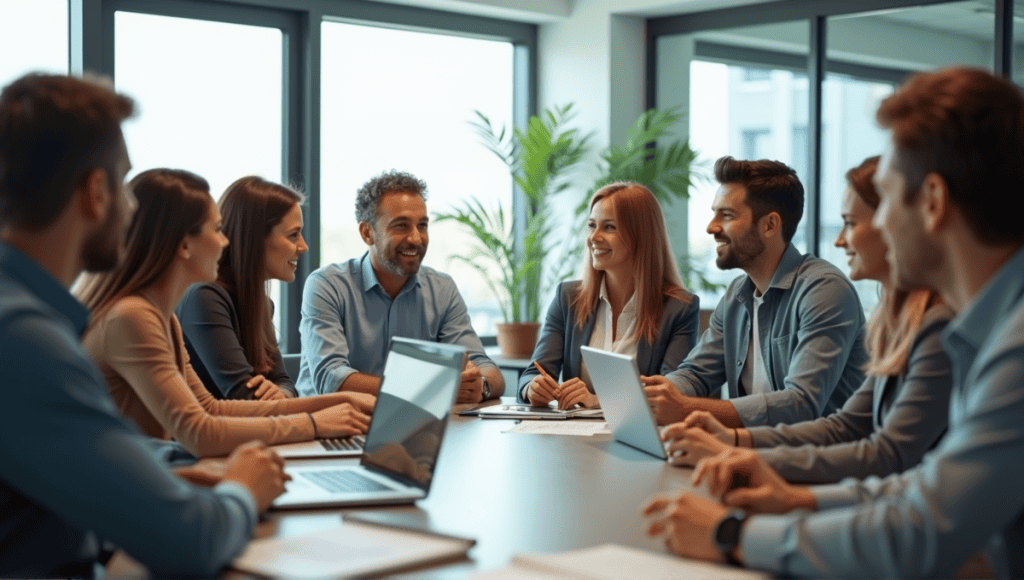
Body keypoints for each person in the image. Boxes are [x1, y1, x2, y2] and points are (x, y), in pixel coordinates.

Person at [645, 67, 1024, 579]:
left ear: (933, 202)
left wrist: (730, 533)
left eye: (886, 198)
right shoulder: (987, 326)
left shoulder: (1012, 345)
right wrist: (798, 498)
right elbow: (920, 487)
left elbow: (921, 527)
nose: (878, 224)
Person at [0, 72, 286, 577]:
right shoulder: (24, 339)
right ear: (96, 192)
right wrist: (243, 489)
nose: (132, 209)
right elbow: (189, 542)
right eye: (123, 182)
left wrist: (161, 469)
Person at [662, 156, 953, 483]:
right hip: (834, 479)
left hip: (847, 486)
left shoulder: (829, 290)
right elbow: (849, 426)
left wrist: (741, 454)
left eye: (851, 223)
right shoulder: (896, 319)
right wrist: (731, 440)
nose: (839, 240)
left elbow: (876, 448)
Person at [77, 168, 374, 459]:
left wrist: (342, 399)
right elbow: (198, 433)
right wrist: (314, 423)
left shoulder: (162, 316)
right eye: (217, 230)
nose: (225, 241)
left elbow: (210, 408)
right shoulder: (132, 316)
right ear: (184, 243)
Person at [643, 157, 868, 428]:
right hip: (749, 452)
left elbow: (800, 404)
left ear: (770, 225)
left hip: (814, 463)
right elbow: (696, 374)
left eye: (726, 215)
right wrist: (651, 394)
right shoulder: (737, 295)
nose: (711, 227)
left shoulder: (824, 290)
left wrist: (686, 408)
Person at [296, 169, 504, 403]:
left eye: (422, 226)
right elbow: (332, 379)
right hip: (327, 429)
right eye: (401, 226)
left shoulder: (442, 289)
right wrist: (432, 388)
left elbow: (486, 368)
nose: (416, 238)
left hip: (413, 428)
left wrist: (480, 386)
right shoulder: (326, 285)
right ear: (367, 233)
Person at [518, 182, 700, 409]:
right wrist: (533, 388)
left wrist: (600, 402)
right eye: (591, 225)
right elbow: (533, 372)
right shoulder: (568, 298)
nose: (593, 237)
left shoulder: (679, 308)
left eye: (609, 227)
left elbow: (667, 396)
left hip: (640, 439)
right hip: (573, 440)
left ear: (641, 236)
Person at [178, 176, 307, 400]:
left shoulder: (263, 305)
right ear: (255, 239)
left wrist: (281, 394)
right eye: (293, 235)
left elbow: (284, 382)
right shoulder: (204, 297)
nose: (303, 246)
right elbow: (243, 396)